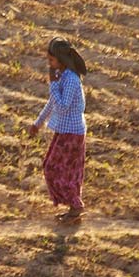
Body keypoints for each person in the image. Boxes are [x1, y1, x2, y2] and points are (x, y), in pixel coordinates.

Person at [29, 38, 88, 224]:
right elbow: (53, 103)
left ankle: (76, 206)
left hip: (72, 133)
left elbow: (62, 106)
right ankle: (73, 208)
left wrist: (52, 84)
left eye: (52, 61)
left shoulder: (70, 79)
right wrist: (38, 123)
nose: (49, 65)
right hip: (64, 131)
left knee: (54, 168)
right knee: (61, 169)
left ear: (62, 61)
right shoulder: (62, 76)